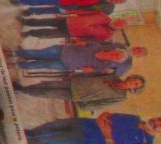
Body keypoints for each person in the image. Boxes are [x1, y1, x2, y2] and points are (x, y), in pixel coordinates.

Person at [24, 112, 161, 144]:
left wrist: (107, 134)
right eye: (159, 118)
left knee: (44, 142)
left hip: (85, 140)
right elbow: (106, 115)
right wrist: (102, 120)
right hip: (82, 123)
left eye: (160, 124)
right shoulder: (134, 119)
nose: (156, 121)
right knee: (40, 131)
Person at [14, 74, 145, 108]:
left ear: (134, 89)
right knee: (48, 84)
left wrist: (83, 105)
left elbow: (101, 104)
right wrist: (76, 76)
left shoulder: (121, 97)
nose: (132, 82)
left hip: (77, 95)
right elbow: (93, 75)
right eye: (134, 80)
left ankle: (23, 90)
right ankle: (25, 88)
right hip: (75, 82)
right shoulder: (114, 76)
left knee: (49, 93)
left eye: (135, 84)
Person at [13, 43, 145, 75]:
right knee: (39, 53)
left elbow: (93, 72)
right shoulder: (98, 45)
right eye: (116, 54)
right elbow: (83, 42)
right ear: (114, 50)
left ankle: (20, 65)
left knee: (42, 64)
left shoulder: (104, 65)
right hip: (64, 50)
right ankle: (16, 53)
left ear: (115, 62)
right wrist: (80, 43)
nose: (115, 56)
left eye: (117, 58)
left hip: (67, 64)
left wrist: (88, 70)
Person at [20, 12, 128, 41]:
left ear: (120, 29)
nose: (118, 23)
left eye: (121, 25)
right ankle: (27, 22)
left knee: (46, 33)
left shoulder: (107, 36)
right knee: (46, 22)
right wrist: (69, 12)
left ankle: (30, 33)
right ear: (116, 19)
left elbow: (90, 40)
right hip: (69, 20)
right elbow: (83, 12)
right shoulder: (103, 15)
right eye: (119, 21)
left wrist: (77, 40)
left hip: (71, 33)